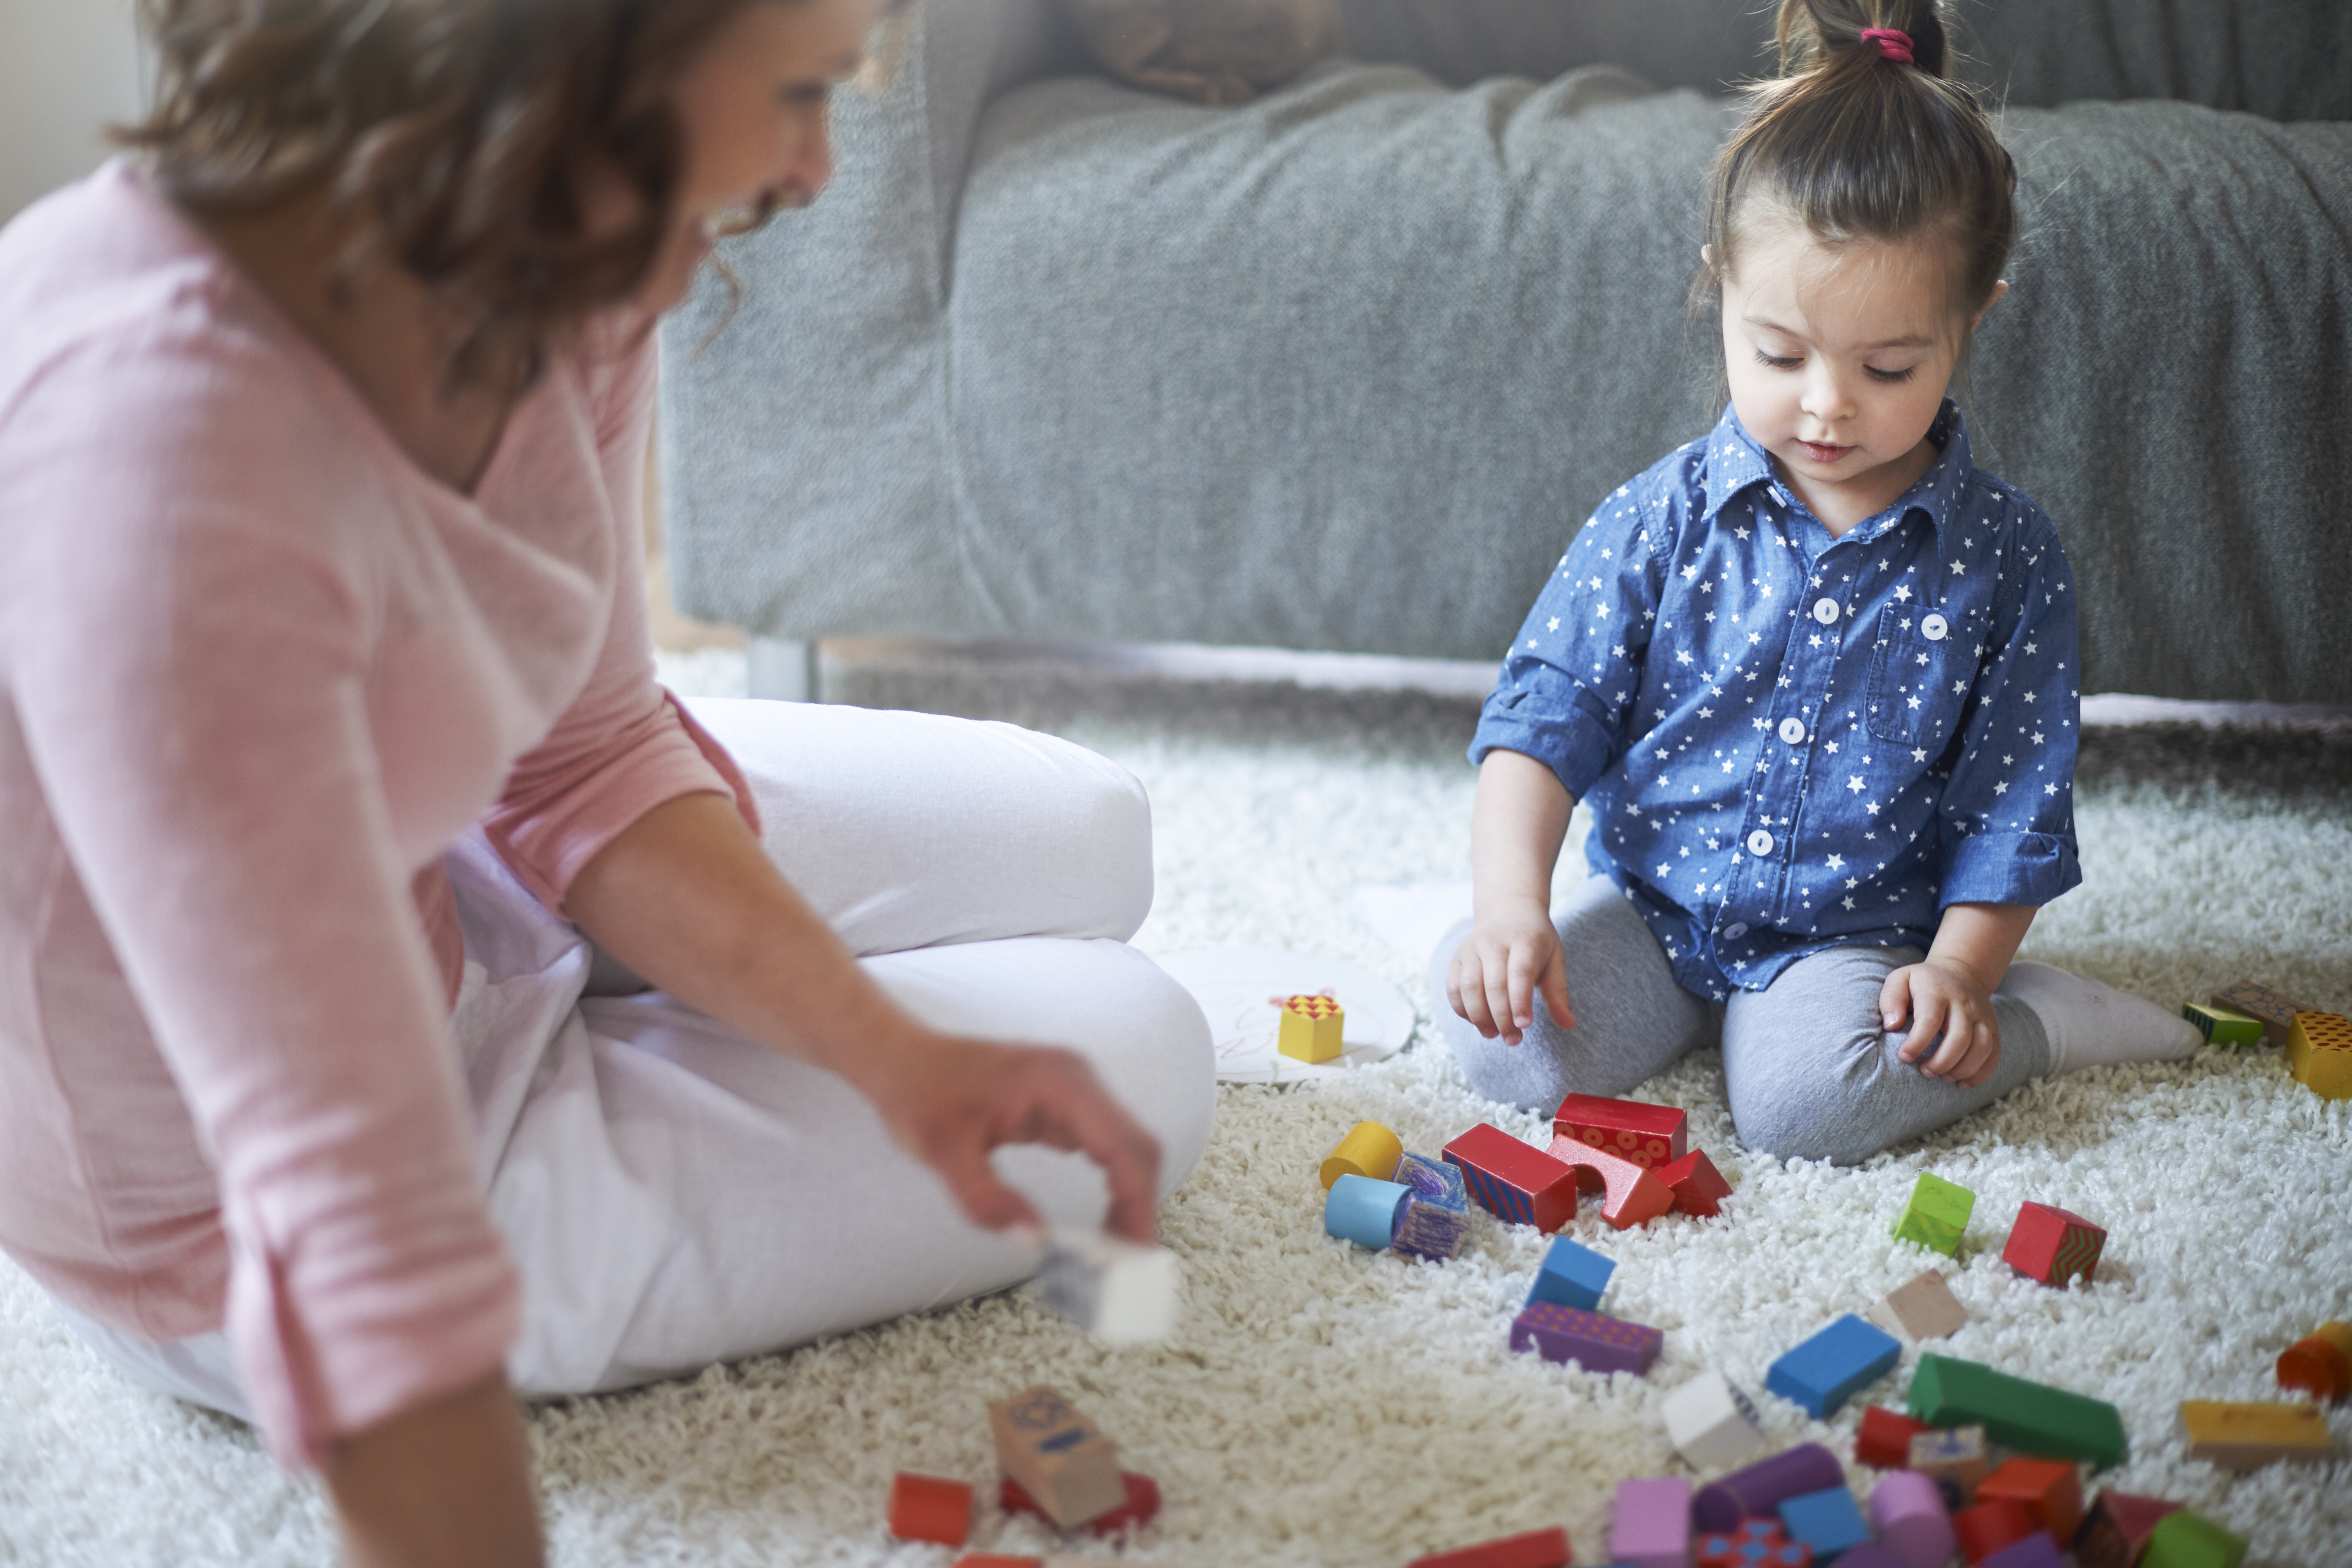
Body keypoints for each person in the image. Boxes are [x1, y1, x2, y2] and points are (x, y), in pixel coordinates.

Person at [0, 1, 1216, 1563]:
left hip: (449, 883)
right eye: (792, 93)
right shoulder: (164, 491)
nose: (818, 170)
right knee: (1149, 1051)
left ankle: (653, 1008)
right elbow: (360, 1252)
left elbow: (578, 751)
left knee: (1093, 831)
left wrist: (900, 1062)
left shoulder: (542, 239)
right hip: (230, 1221)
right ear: (571, 59)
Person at [1432, 0, 2198, 1165]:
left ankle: (2048, 1021)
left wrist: (1961, 973)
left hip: (1852, 942)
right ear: (1721, 294)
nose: (1828, 403)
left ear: (1971, 320)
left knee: (1810, 1115)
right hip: (1657, 907)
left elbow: (2010, 807)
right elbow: (1544, 718)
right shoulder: (1663, 516)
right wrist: (1511, 910)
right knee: (1500, 1040)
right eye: (1779, 355)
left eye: (1888, 366)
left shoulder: (2008, 556)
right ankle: (1609, 979)